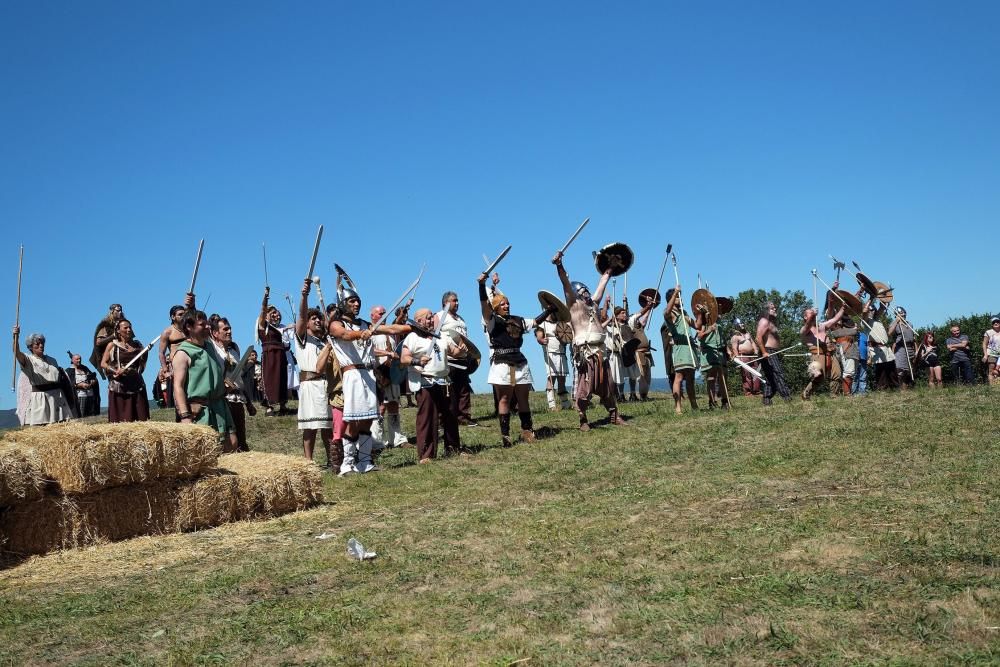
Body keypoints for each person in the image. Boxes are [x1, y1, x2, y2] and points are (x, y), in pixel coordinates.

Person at [328, 283, 409, 476]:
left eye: (358, 301)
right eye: (352, 300)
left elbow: (389, 329)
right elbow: (344, 334)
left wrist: (412, 327)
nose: (356, 304)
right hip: (352, 375)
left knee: (367, 419)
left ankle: (364, 461)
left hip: (367, 374)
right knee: (354, 421)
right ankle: (347, 464)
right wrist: (360, 334)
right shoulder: (336, 324)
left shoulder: (365, 324)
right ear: (343, 303)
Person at [553, 250, 626, 431]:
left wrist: (611, 267)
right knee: (584, 388)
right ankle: (583, 419)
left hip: (601, 351)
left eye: (587, 291)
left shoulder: (593, 304)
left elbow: (603, 281)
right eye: (583, 291)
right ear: (577, 293)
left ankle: (614, 415)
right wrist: (559, 264)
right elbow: (565, 283)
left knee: (608, 384)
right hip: (585, 353)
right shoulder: (574, 305)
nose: (587, 293)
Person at [478, 271, 536, 448]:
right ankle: (506, 436)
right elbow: (484, 305)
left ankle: (527, 430)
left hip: (519, 361)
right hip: (502, 362)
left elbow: (534, 322)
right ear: (496, 307)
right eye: (502, 304)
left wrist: (550, 310)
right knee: (504, 399)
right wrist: (482, 286)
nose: (506, 305)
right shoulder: (491, 321)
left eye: (508, 303)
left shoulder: (517, 320)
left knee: (523, 399)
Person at [400, 307, 465, 462]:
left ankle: (453, 448)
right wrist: (417, 360)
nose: (431, 320)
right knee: (427, 418)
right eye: (428, 318)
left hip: (444, 381)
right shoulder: (413, 337)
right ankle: (426, 455)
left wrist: (461, 350)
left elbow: (453, 352)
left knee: (450, 416)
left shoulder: (440, 335)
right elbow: (403, 359)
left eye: (432, 317)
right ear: (419, 320)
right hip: (426, 382)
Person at [172, 309, 235, 449]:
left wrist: (222, 387)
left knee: (231, 445)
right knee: (207, 452)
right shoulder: (183, 353)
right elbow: (178, 386)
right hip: (201, 411)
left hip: (220, 406)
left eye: (207, 323)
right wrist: (185, 416)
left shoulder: (209, 346)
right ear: (189, 327)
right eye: (202, 324)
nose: (207, 326)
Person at [291, 279, 333, 463]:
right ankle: (308, 462)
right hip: (310, 385)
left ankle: (333, 460)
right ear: (306, 324)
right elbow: (300, 316)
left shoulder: (324, 341)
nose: (317, 320)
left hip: (325, 385)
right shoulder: (302, 338)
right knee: (310, 427)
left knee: (327, 426)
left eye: (319, 317)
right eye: (313, 318)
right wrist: (304, 296)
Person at [369, 302, 410, 449]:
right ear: (372, 315)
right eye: (381, 313)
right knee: (380, 407)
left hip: (392, 371)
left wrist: (405, 309)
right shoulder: (369, 330)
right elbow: (370, 350)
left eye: (385, 313)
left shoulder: (390, 331)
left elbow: (398, 322)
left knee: (393, 405)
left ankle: (396, 438)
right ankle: (377, 441)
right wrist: (386, 353)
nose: (383, 316)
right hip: (379, 371)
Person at [12, 327, 73, 426]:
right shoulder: (28, 360)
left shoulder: (52, 360)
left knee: (61, 427)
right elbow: (16, 352)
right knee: (41, 428)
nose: (41, 346)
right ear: (30, 347)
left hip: (57, 397)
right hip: (40, 398)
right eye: (37, 344)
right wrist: (15, 337)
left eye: (42, 343)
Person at [210, 317, 254, 452]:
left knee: (241, 438)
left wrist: (248, 403)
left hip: (237, 399)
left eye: (230, 328)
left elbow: (239, 378)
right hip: (223, 399)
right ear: (215, 333)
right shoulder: (212, 350)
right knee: (227, 438)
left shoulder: (234, 350)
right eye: (225, 329)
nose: (229, 331)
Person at [434, 290, 477, 426]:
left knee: (463, 388)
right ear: (446, 303)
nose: (457, 303)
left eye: (457, 300)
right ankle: (445, 419)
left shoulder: (460, 319)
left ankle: (463, 417)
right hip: (448, 358)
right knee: (448, 390)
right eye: (454, 300)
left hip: (462, 358)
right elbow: (435, 335)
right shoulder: (439, 316)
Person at [101, 318, 150, 422]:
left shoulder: (138, 345)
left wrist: (145, 353)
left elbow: (142, 364)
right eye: (125, 328)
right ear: (118, 330)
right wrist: (115, 371)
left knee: (140, 418)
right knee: (121, 419)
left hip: (136, 384)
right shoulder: (112, 345)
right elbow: (103, 363)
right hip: (119, 386)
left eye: (130, 327)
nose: (129, 330)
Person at [799, 300, 845, 400]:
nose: (812, 313)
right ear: (805, 317)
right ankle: (806, 394)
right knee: (819, 377)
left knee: (837, 374)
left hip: (830, 353)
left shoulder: (822, 325)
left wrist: (842, 308)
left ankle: (834, 395)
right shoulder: (804, 329)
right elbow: (807, 326)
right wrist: (812, 316)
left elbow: (835, 319)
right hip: (817, 354)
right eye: (810, 313)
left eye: (813, 312)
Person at [663, 287, 699, 413]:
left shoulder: (684, 313)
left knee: (691, 377)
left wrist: (701, 313)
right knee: (679, 376)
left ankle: (694, 405)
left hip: (690, 348)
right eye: (678, 297)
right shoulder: (670, 313)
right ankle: (678, 407)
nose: (680, 298)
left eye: (679, 296)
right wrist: (675, 294)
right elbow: (667, 311)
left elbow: (697, 325)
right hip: (680, 348)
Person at [157, 296, 195, 410]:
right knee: (179, 390)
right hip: (177, 365)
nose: (183, 316)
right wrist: (165, 371)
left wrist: (192, 305)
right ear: (173, 317)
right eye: (180, 314)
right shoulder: (167, 332)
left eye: (184, 313)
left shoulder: (189, 328)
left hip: (192, 363)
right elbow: (161, 353)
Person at [257, 287, 290, 415]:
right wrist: (265, 297)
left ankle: (283, 405)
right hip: (269, 354)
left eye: (276, 313)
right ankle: (269, 406)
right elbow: (262, 310)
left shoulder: (279, 328)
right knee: (269, 379)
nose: (275, 315)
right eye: (272, 313)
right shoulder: (262, 325)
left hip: (280, 354)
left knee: (281, 378)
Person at [534, 310, 572, 411]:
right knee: (551, 378)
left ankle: (565, 403)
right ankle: (552, 405)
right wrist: (541, 340)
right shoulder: (543, 323)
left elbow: (566, 336)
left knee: (562, 378)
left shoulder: (559, 323)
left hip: (561, 352)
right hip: (550, 353)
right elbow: (539, 336)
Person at [756, 302, 791, 405]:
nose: (775, 310)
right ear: (766, 310)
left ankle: (767, 399)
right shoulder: (764, 321)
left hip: (772, 352)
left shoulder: (771, 322)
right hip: (768, 352)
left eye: (775, 308)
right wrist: (764, 352)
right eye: (772, 308)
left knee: (770, 377)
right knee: (778, 373)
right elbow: (758, 338)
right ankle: (787, 397)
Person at [694, 302, 728, 409]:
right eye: (719, 307)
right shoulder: (706, 322)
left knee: (724, 376)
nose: (721, 309)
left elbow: (722, 338)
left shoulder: (719, 321)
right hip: (710, 350)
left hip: (720, 351)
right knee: (712, 377)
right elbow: (699, 337)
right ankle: (712, 401)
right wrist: (709, 330)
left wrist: (728, 350)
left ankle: (724, 400)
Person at [626, 294, 656, 401]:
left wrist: (650, 307)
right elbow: (639, 315)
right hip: (638, 353)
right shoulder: (631, 324)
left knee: (647, 375)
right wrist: (648, 306)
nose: (639, 320)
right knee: (641, 376)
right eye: (637, 318)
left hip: (647, 353)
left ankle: (644, 395)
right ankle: (641, 395)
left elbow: (645, 318)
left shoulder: (640, 327)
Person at [730, 318, 761, 396]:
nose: (743, 324)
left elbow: (753, 343)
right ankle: (748, 392)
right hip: (743, 356)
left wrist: (756, 351)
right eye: (741, 323)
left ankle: (756, 391)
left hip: (752, 356)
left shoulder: (748, 334)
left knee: (756, 373)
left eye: (743, 323)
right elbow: (734, 348)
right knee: (746, 374)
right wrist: (738, 360)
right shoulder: (735, 337)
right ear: (737, 326)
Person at [888, 307, 917, 389]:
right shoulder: (894, 324)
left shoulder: (910, 324)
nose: (903, 315)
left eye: (904, 313)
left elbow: (914, 339)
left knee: (910, 371)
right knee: (901, 370)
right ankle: (902, 389)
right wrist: (896, 321)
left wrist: (916, 350)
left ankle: (908, 388)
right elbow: (889, 333)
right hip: (901, 348)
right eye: (901, 313)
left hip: (910, 348)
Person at [64, 353, 100, 417]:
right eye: (77, 359)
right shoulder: (69, 371)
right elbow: (68, 384)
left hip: (90, 394)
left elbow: (94, 378)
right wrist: (79, 385)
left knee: (91, 414)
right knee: (81, 414)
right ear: (72, 360)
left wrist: (92, 383)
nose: (79, 360)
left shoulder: (85, 368)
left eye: (80, 359)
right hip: (79, 395)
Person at [982, 317, 1000, 385]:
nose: (996, 323)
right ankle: (992, 387)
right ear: (992, 324)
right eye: (994, 322)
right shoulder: (988, 332)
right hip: (992, 354)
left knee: (998, 371)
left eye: (997, 322)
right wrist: (985, 355)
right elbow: (984, 343)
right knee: (991, 371)